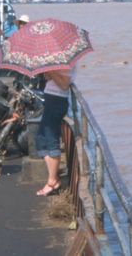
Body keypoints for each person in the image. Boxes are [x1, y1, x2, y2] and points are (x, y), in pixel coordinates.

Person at [34, 64, 74, 196]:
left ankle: (52, 181)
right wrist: (48, 73)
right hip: (51, 100)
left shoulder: (66, 63)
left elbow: (64, 84)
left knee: (51, 140)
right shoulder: (58, 62)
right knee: (40, 139)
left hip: (57, 101)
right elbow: (53, 79)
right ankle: (53, 177)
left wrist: (50, 70)